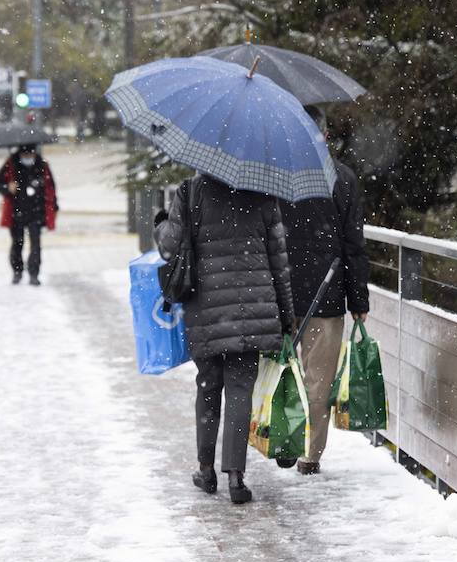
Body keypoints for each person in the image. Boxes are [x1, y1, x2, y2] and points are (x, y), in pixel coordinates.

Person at [154, 174, 295, 505]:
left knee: (208, 387)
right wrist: (286, 316)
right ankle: (236, 475)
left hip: (206, 307)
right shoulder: (263, 190)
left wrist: (161, 224)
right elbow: (280, 262)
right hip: (253, 309)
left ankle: (205, 469)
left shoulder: (191, 192)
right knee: (239, 391)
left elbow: (169, 247)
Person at [280, 117, 370, 476]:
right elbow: (354, 245)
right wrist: (358, 300)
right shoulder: (342, 178)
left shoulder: (274, 176)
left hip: (282, 292)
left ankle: (282, 435)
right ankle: (309, 454)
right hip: (327, 293)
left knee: (281, 370)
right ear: (325, 134)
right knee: (319, 377)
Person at [0, 144, 58, 285]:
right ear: (20, 155)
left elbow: (51, 187)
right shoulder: (11, 164)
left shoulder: (42, 165)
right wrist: (7, 188)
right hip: (16, 212)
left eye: (31, 155)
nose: (28, 158)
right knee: (17, 243)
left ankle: (34, 274)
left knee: (36, 245)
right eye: (25, 156)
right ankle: (17, 271)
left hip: (36, 212)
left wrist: (53, 208)